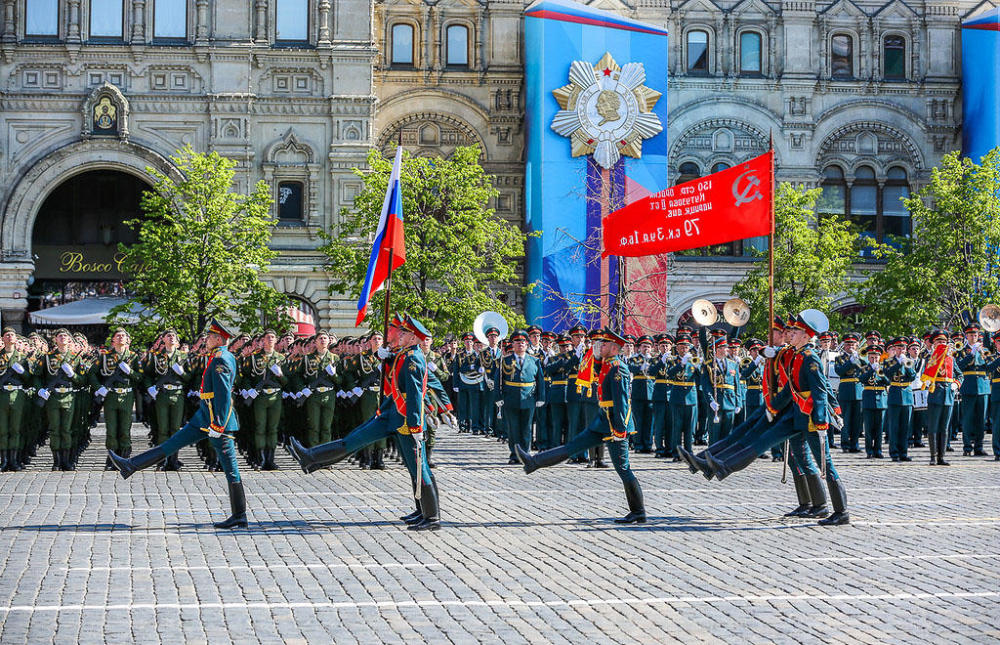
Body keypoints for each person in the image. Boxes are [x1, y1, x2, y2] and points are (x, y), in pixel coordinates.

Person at [109, 320, 248, 529]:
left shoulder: (222, 359)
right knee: (172, 443)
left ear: (218, 339)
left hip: (217, 420)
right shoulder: (217, 356)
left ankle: (240, 514)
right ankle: (131, 465)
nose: (206, 340)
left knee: (230, 468)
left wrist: (218, 424)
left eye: (210, 337)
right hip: (204, 415)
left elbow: (224, 394)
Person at [516, 328, 646, 524]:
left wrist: (620, 429)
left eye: (603, 344)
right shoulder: (607, 364)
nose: (599, 346)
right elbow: (592, 370)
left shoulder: (618, 368)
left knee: (623, 468)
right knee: (573, 446)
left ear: (613, 348)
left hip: (614, 424)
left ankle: (638, 511)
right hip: (603, 421)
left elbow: (621, 402)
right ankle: (533, 462)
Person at [89, 328, 139, 470]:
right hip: (111, 396)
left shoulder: (133, 357)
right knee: (111, 430)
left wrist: (131, 372)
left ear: (128, 340)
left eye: (124, 336)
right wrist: (99, 388)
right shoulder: (105, 357)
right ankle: (111, 459)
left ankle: (124, 459)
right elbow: (92, 374)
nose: (121, 338)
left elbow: (140, 378)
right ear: (113, 340)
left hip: (127, 396)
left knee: (125, 429)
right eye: (118, 336)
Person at [499, 330, 546, 464]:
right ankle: (514, 455)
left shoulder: (535, 361)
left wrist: (540, 397)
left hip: (529, 398)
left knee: (527, 428)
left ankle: (525, 454)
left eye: (523, 342)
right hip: (511, 398)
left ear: (527, 344)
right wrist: (498, 397)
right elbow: (499, 380)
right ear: (512, 345)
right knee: (513, 428)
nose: (520, 344)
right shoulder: (505, 360)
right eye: (517, 342)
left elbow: (540, 380)